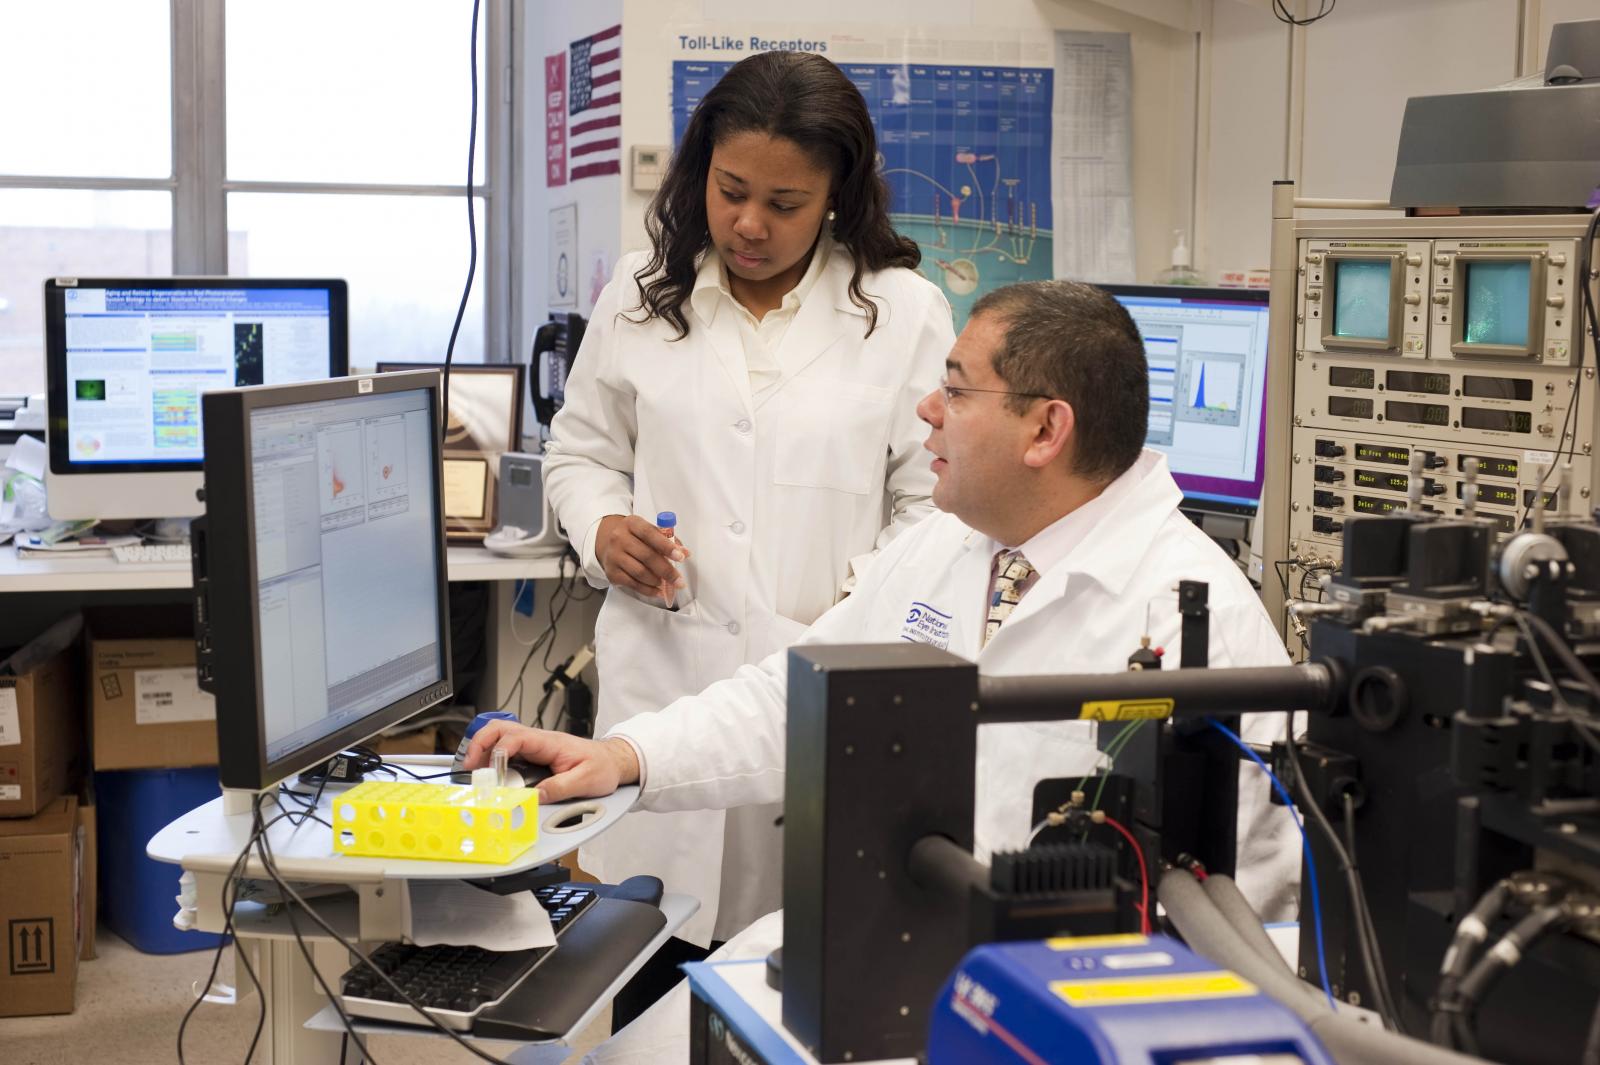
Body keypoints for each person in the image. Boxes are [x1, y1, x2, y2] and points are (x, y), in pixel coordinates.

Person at [473, 279, 1300, 1061]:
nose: (927, 411)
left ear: (1046, 431)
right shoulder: (951, 545)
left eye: (957, 390)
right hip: (894, 970)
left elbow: (1251, 923)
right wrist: (625, 756)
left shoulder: (1202, 625)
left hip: (1053, 1023)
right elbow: (797, 695)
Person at [542, 49, 954, 1019]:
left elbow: (934, 509)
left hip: (824, 700)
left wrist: (859, 604)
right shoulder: (646, 293)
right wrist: (601, 524)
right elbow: (578, 451)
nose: (749, 225)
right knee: (648, 994)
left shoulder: (903, 315)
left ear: (839, 199)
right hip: (662, 681)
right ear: (701, 175)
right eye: (730, 192)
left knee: (795, 1003)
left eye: (785, 201)